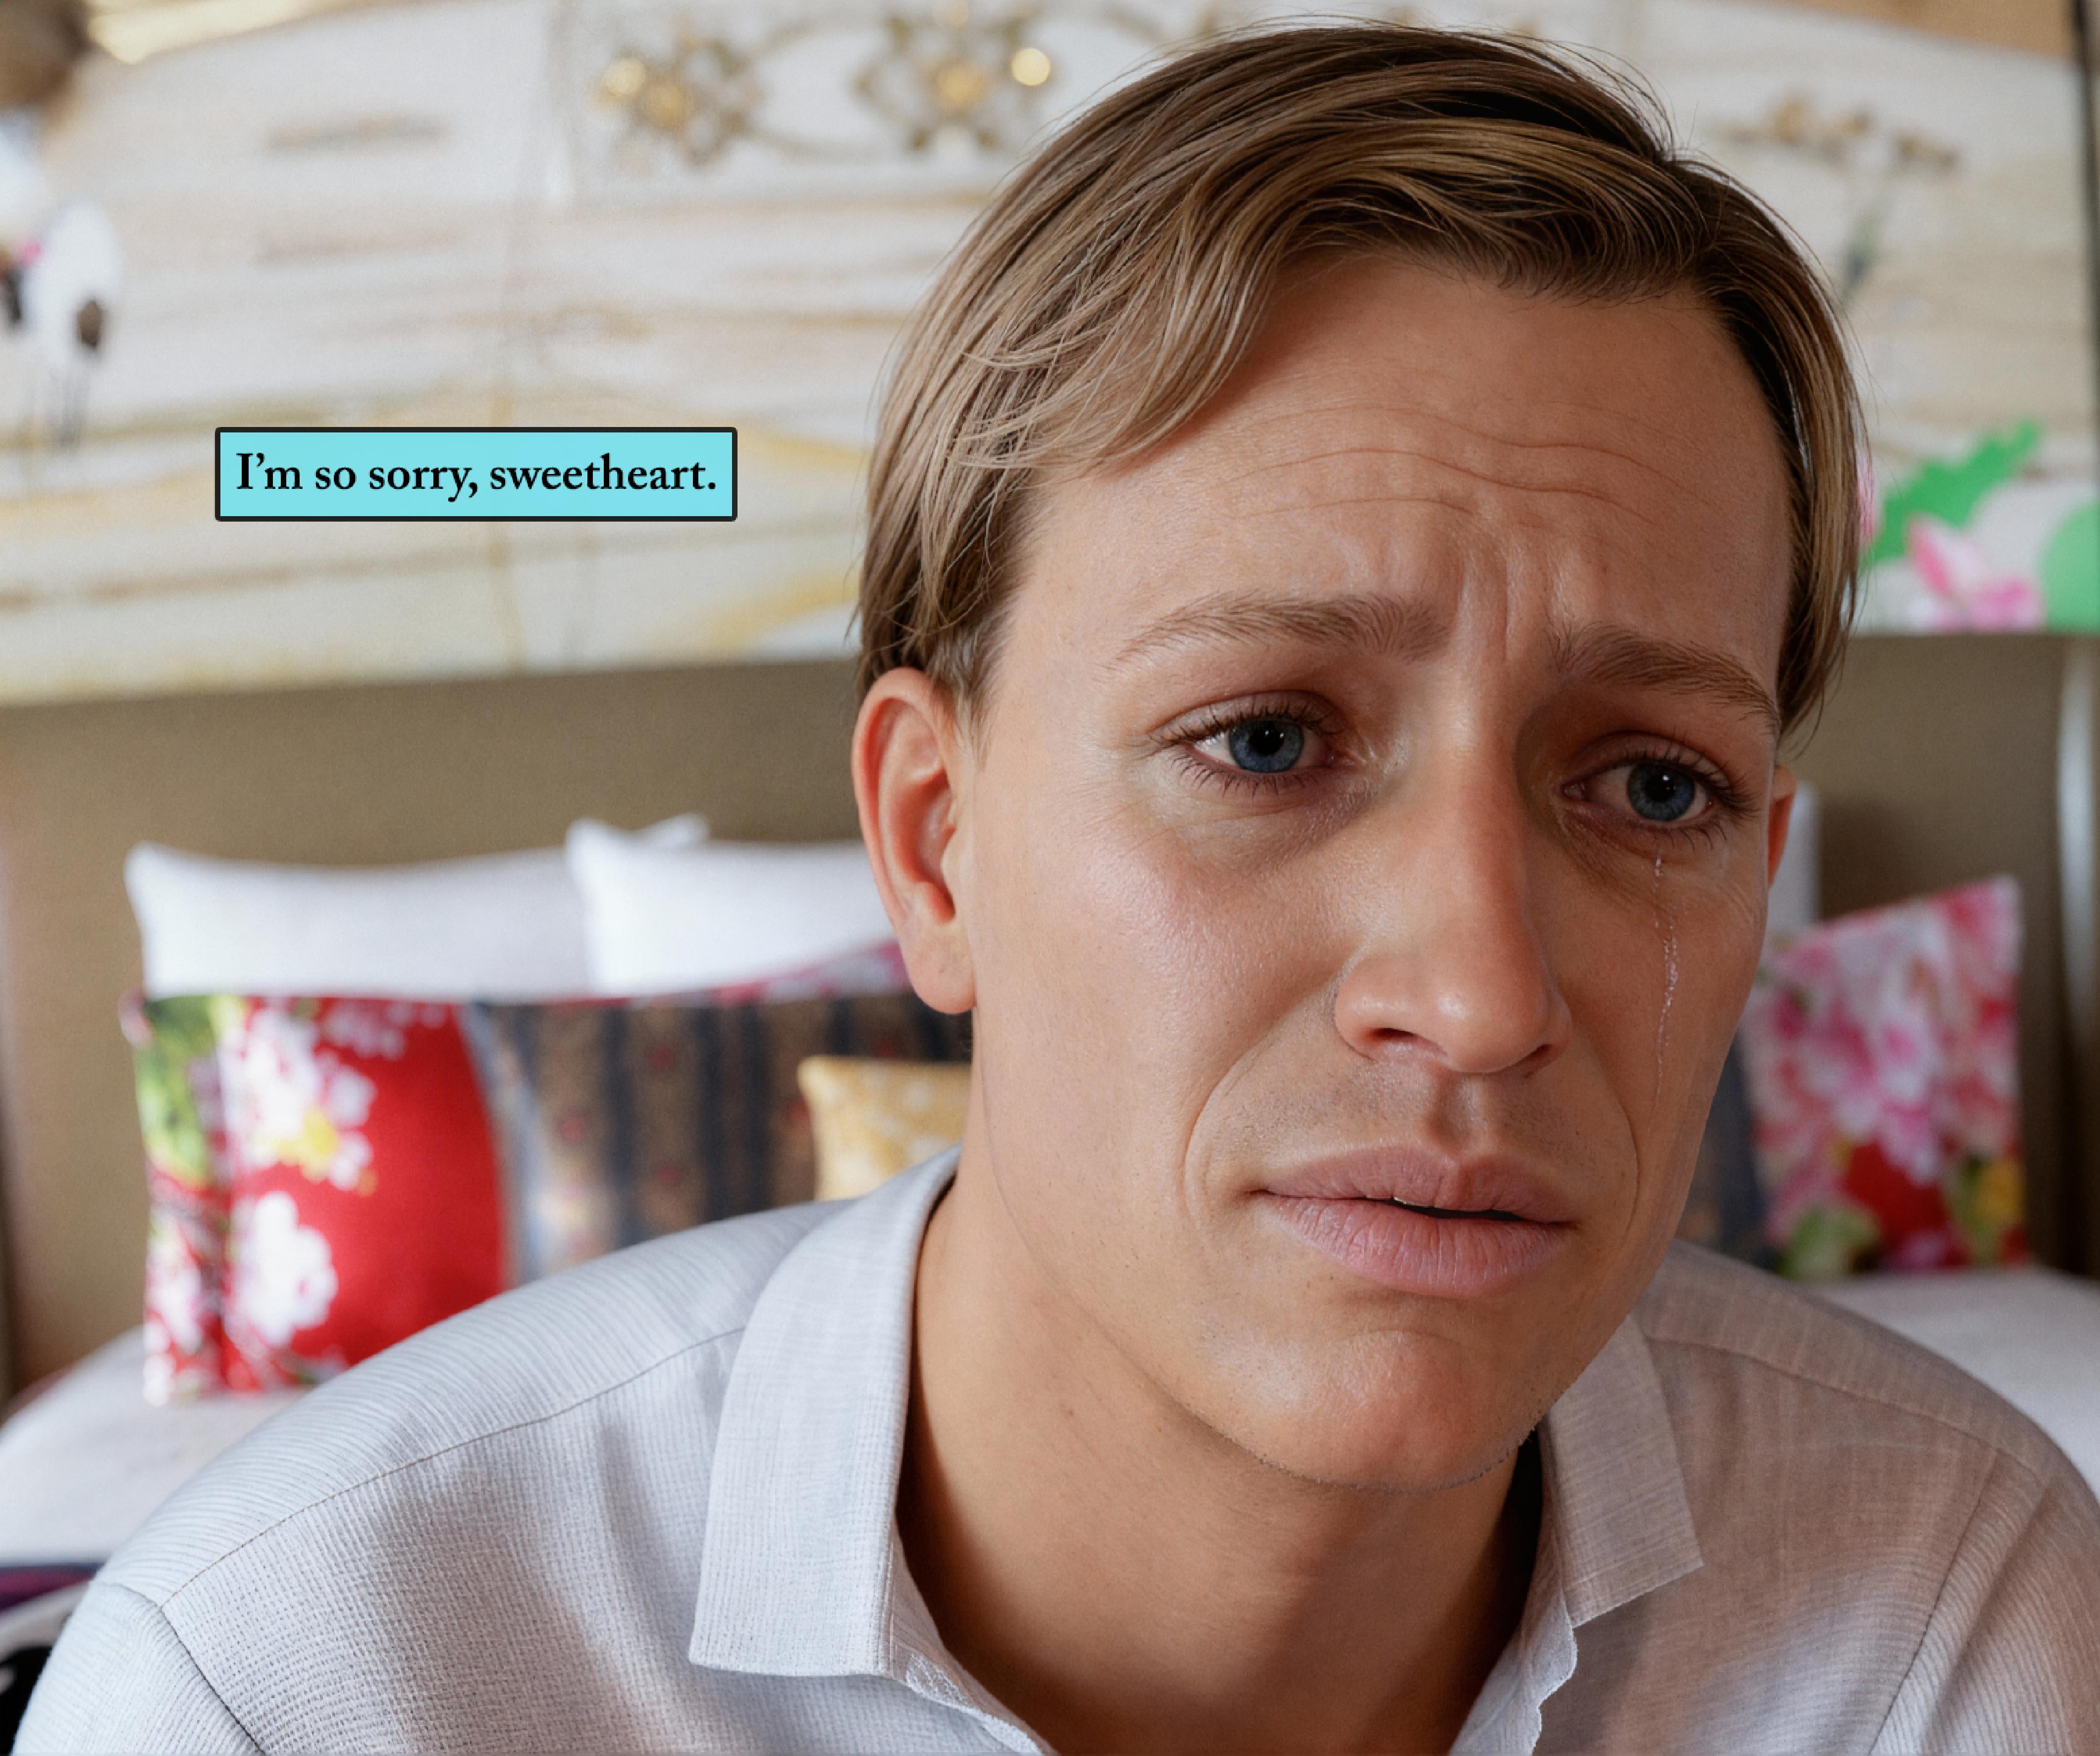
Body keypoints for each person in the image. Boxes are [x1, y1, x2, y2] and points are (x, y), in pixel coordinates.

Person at [23, 24, 2100, 1754]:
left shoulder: (1946, 1622)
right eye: (1263, 740)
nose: (1479, 993)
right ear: (935, 841)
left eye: (1654, 783)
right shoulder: (305, 1684)